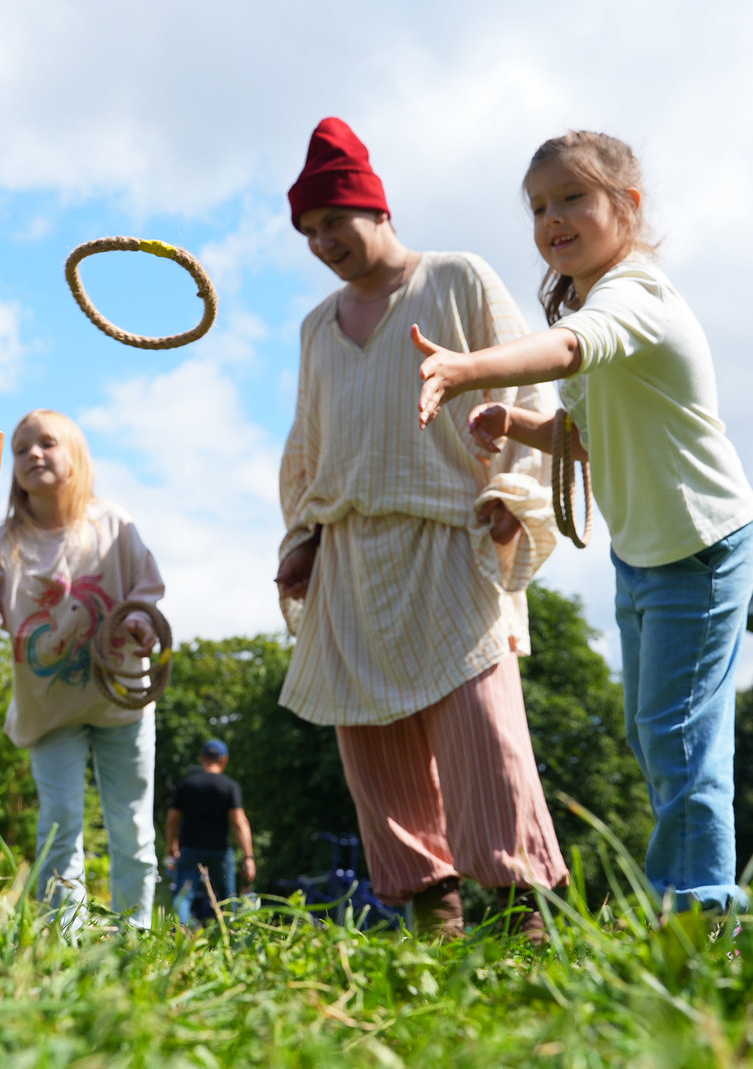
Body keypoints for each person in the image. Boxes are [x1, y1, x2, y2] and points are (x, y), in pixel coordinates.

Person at [415, 131, 753, 913]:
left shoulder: (635, 294)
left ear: (626, 207)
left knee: (679, 738)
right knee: (654, 734)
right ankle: (688, 905)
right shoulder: (594, 297)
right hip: (646, 554)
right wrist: (517, 421)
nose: (552, 217)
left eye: (573, 196)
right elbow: (593, 432)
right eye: (539, 205)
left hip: (701, 547)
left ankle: (699, 918)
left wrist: (467, 368)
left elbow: (574, 350)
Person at [276, 118, 568, 937]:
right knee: (375, 750)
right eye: (308, 230)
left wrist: (514, 488)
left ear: (377, 210)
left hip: (449, 540)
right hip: (352, 559)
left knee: (486, 740)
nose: (322, 241)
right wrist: (303, 537)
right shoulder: (314, 328)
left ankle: (523, 928)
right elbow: (309, 444)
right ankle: (433, 929)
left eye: (334, 221)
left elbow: (533, 386)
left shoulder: (458, 279)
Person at [0, 409, 165, 929]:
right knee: (60, 824)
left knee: (131, 824)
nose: (32, 454)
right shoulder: (3, 541)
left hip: (120, 702)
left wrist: (140, 622)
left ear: (76, 456)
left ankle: (134, 937)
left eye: (46, 443)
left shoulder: (112, 524)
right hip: (49, 709)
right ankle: (65, 938)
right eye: (21, 449)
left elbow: (146, 589)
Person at [165, 739, 255, 925]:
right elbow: (240, 823)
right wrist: (248, 857)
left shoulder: (186, 784)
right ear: (224, 760)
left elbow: (172, 821)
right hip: (219, 853)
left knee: (183, 897)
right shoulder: (229, 786)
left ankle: (182, 936)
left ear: (202, 758)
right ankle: (231, 939)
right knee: (227, 899)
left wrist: (171, 848)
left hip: (190, 851)